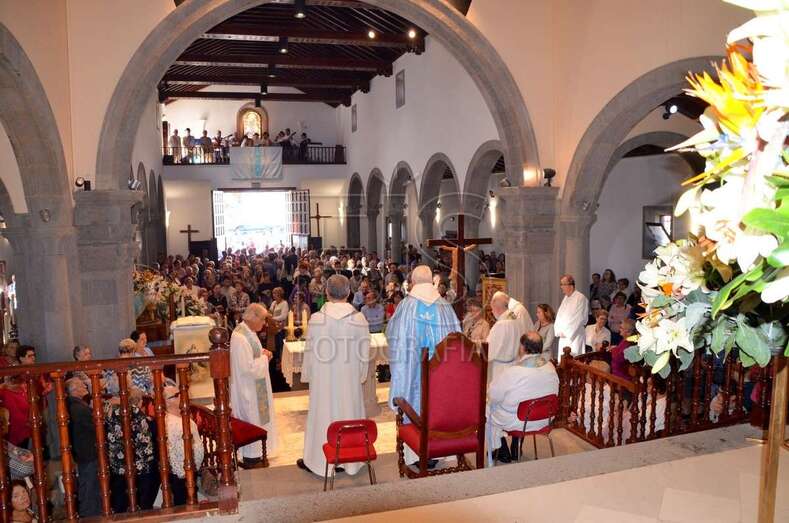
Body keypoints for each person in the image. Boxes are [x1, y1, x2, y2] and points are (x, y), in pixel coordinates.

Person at [297, 275, 371, 475]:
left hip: (324, 382)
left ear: (327, 292)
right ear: (349, 292)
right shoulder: (358, 319)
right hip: (349, 380)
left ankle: (318, 459)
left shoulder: (317, 319)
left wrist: (309, 375)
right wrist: (360, 375)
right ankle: (350, 460)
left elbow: (310, 352)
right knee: (349, 411)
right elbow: (364, 353)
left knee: (323, 414)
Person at [387, 265, 460, 464]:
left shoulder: (405, 306)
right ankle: (441, 448)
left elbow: (393, 336)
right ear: (432, 281)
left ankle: (416, 452)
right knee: (438, 401)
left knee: (414, 399)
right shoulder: (445, 307)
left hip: (413, 373)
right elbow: (457, 340)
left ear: (413, 282)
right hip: (441, 374)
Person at [487, 331, 559, 464]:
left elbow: (493, 395)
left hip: (518, 421)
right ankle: (516, 447)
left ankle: (502, 451)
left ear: (522, 348)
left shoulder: (514, 372)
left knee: (487, 408)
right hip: (545, 418)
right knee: (521, 405)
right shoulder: (550, 367)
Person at [229, 303, 276, 467]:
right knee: (251, 419)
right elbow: (247, 368)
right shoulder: (240, 337)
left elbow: (253, 352)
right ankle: (251, 456)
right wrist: (265, 358)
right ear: (253, 317)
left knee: (259, 418)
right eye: (262, 320)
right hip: (248, 389)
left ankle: (258, 453)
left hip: (256, 386)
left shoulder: (248, 332)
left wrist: (263, 353)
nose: (264, 323)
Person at [105, 387, 158, 512]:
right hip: (139, 462)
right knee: (142, 496)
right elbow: (147, 439)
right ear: (140, 401)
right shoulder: (138, 414)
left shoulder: (112, 411)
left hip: (118, 462)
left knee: (121, 495)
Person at [163, 385, 204, 506]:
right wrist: (183, 474)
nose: (181, 396)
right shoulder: (171, 423)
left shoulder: (180, 416)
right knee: (184, 505)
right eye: (176, 395)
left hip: (190, 472)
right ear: (166, 402)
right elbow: (173, 453)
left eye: (180, 393)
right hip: (182, 475)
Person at [65, 378, 100, 517]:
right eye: (81, 385)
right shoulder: (78, 408)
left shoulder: (74, 405)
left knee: (90, 486)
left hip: (83, 452)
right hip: (88, 453)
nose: (85, 386)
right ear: (74, 390)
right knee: (90, 487)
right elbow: (96, 425)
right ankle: (90, 516)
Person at [487, 292, 526, 382]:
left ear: (497, 307)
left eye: (492, 309)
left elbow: (489, 350)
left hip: (500, 369)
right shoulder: (515, 319)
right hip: (514, 364)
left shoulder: (501, 325)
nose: (492, 312)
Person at [554, 274, 589, 360]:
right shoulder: (566, 298)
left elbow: (578, 318)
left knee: (574, 359)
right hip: (563, 336)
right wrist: (558, 330)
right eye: (561, 284)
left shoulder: (580, 298)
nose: (561, 287)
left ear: (571, 285)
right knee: (562, 360)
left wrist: (566, 332)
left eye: (563, 284)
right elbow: (559, 316)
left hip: (574, 336)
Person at [0, 407, 33, 480]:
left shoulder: (3, 441)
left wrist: (29, 456)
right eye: (6, 421)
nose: (9, 423)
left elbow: (22, 451)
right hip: (12, 485)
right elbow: (25, 469)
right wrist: (34, 460)